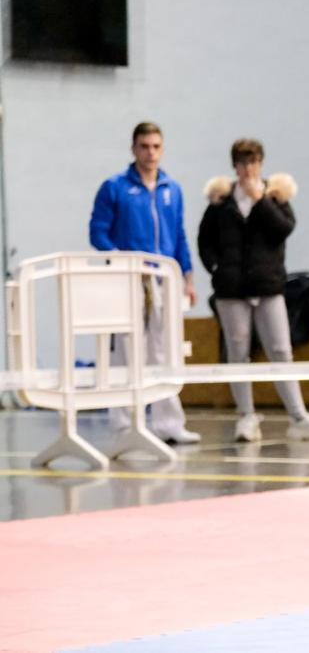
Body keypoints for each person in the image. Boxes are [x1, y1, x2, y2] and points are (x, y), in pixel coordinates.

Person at [197, 139, 309, 442]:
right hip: (232, 289)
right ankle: (246, 416)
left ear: (261, 164)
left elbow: (283, 229)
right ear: (235, 166)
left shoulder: (276, 196)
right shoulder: (221, 201)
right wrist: (216, 268)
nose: (248, 168)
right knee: (238, 350)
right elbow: (205, 240)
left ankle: (298, 415)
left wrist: (260, 201)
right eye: (243, 162)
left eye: (254, 162)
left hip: (268, 285)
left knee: (281, 349)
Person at [89, 121, 200, 444]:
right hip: (127, 279)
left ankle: (169, 424)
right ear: (133, 148)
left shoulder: (172, 189)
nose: (150, 153)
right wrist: (122, 259)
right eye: (144, 146)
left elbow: (178, 235)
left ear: (162, 149)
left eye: (155, 146)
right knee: (126, 351)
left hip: (164, 278)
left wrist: (187, 277)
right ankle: (123, 424)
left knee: (165, 351)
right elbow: (98, 232)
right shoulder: (115, 187)